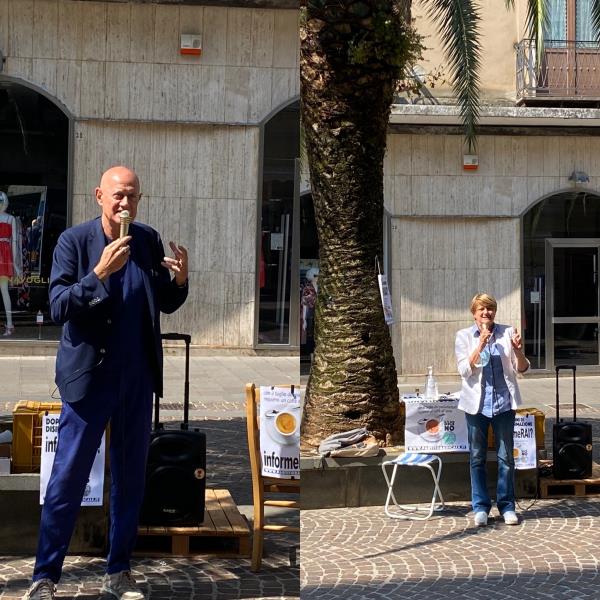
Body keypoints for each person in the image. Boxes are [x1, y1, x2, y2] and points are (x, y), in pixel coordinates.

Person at [24, 166, 189, 600]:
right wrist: (97, 274)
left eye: (132, 196)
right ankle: (45, 577)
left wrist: (181, 279)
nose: (125, 204)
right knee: (68, 478)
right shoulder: (73, 242)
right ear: (100, 195)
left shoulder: (148, 241)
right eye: (117, 195)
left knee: (131, 478)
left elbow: (164, 302)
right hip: (89, 380)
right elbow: (58, 306)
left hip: (136, 379)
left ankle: (119, 572)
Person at [455, 293, 529, 528]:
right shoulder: (464, 336)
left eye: (490, 309)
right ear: (474, 313)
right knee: (476, 457)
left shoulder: (507, 332)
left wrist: (517, 350)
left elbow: (523, 368)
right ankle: (481, 507)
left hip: (504, 405)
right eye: (481, 310)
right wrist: (481, 344)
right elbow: (465, 371)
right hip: (477, 406)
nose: (486, 313)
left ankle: (507, 506)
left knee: (506, 457)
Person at [0, 191, 23, 336]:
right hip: (4, 254)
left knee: (4, 290)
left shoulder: (11, 219)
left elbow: (15, 241)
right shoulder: (10, 219)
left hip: (4, 255)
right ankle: (9, 325)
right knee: (4, 290)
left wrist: (15, 263)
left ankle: (9, 324)